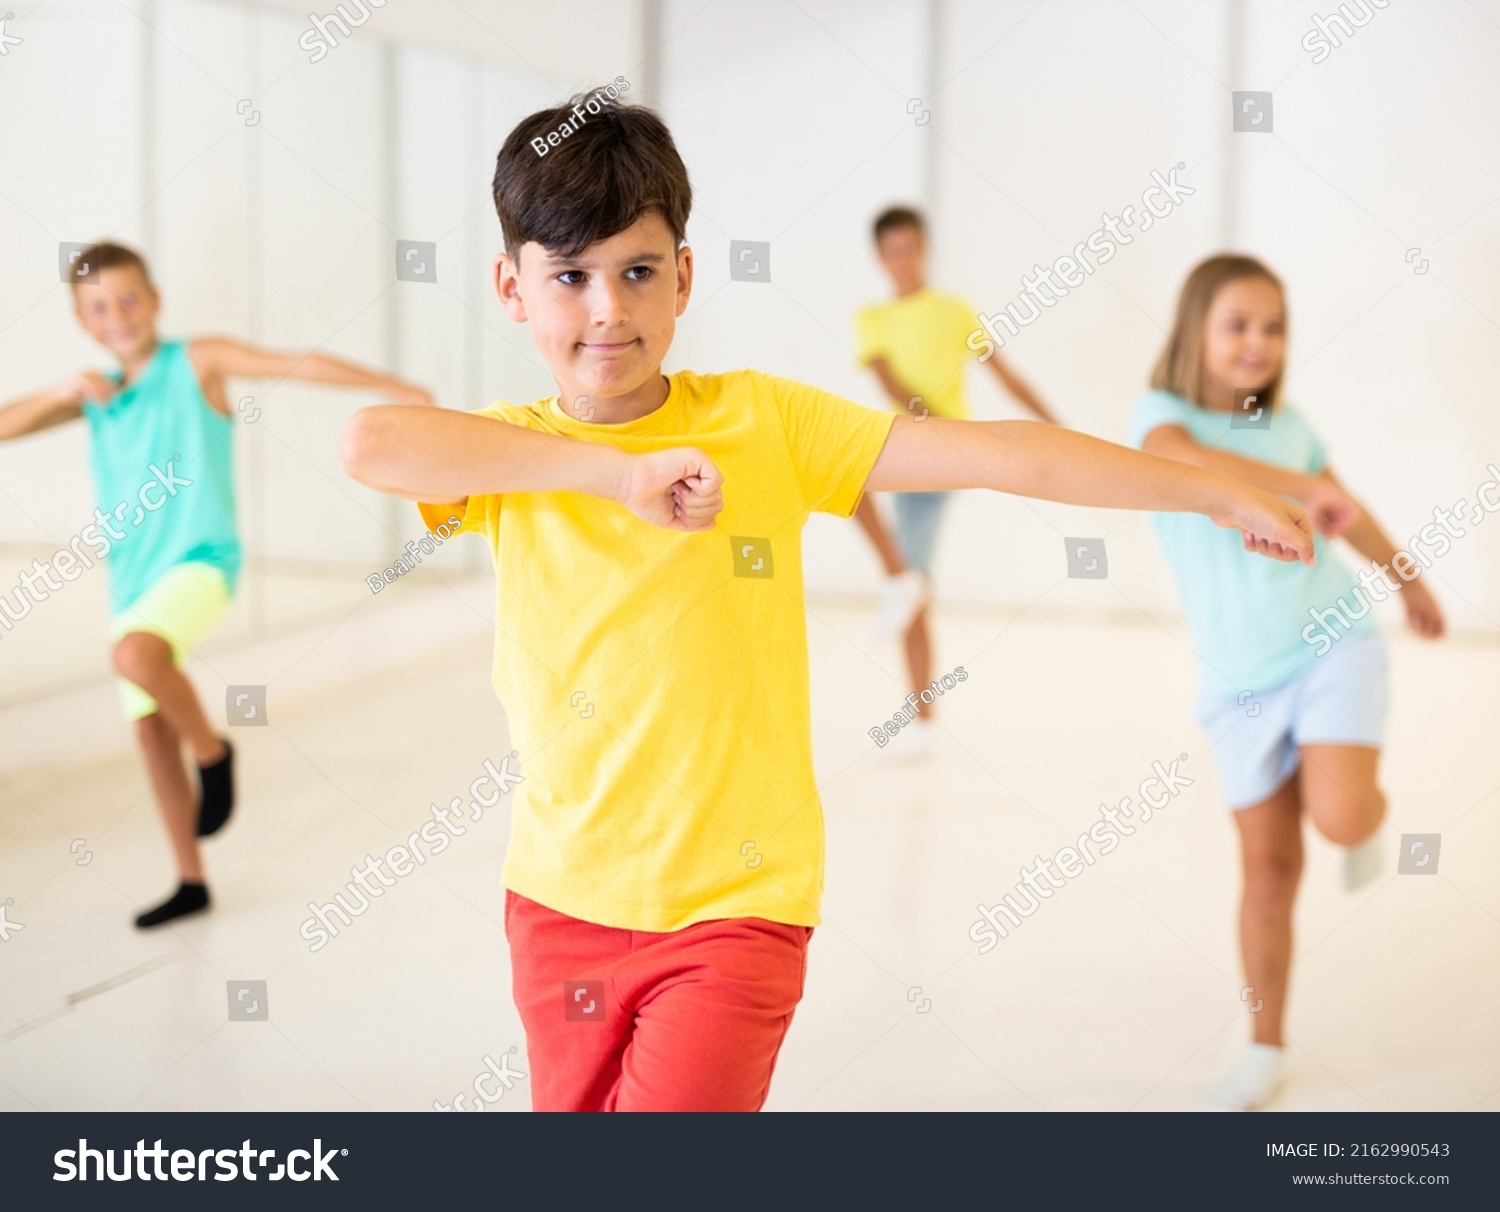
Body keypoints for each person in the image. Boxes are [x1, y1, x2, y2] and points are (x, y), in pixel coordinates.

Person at [339, 91, 1315, 1112]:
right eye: (570, 277)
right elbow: (373, 443)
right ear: (512, 286)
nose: (607, 311)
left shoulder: (762, 422)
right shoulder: (508, 454)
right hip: (558, 904)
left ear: (684, 276)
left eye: (636, 272)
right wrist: (608, 475)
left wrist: (1213, 489)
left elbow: (1005, 454)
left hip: (738, 907)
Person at [0, 241, 434, 928]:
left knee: (136, 657)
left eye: (129, 298)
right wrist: (57, 391)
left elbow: (293, 362)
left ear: (155, 300)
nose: (119, 315)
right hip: (131, 583)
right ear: (84, 320)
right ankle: (190, 879)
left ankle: (214, 750)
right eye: (100, 307)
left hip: (201, 559)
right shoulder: (97, 396)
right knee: (148, 734)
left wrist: (391, 385)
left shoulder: (196, 361)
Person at [1127, 254, 1445, 1110]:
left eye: (1272, 326)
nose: (1257, 342)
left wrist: (1408, 577)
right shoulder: (1164, 418)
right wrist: (1299, 486)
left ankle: (1361, 805)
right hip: (1238, 686)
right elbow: (1184, 462)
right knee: (1268, 871)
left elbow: (1348, 508)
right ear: (1195, 329)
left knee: (1341, 819)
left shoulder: (1292, 425)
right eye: (1237, 324)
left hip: (1331, 644)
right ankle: (1263, 1047)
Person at [855, 207, 1058, 750]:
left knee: (914, 579)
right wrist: (926, 417)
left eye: (911, 248)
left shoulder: (953, 311)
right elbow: (887, 379)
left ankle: (920, 718)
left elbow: (1005, 374)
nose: (904, 260)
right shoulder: (872, 318)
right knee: (845, 481)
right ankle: (900, 578)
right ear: (881, 258)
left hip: (948, 455)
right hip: (907, 444)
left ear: (925, 249)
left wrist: (1055, 425)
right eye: (893, 251)